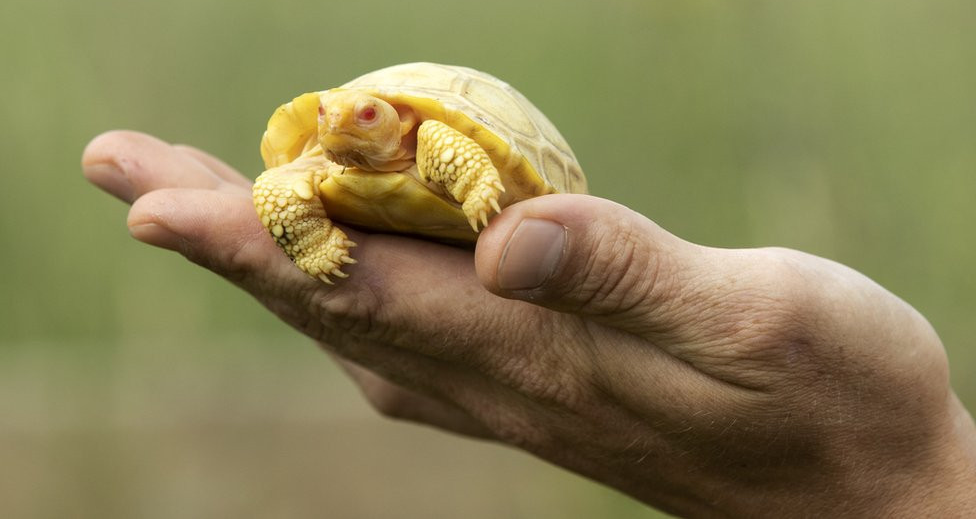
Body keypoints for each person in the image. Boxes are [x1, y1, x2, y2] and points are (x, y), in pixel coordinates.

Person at [82, 130, 976, 516]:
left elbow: (461, 155)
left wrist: (910, 488)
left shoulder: (431, 142)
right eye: (338, 119)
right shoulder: (317, 164)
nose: (351, 127)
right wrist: (309, 240)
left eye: (370, 118)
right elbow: (278, 193)